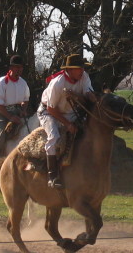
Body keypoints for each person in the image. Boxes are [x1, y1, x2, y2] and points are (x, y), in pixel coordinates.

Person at [38, 53, 97, 188]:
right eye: (78, 68)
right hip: (48, 112)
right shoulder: (57, 83)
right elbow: (51, 108)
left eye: (82, 67)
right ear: (69, 70)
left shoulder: (84, 77)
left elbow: (88, 93)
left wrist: (93, 97)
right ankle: (52, 176)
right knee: (54, 137)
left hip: (71, 111)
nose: (81, 70)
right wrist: (68, 124)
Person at [0, 55, 30, 158]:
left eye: (21, 67)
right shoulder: (2, 82)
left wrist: (23, 109)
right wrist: (10, 117)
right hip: (3, 114)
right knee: (0, 136)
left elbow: (26, 99)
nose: (19, 69)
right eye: (17, 67)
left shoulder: (23, 83)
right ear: (11, 68)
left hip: (17, 112)